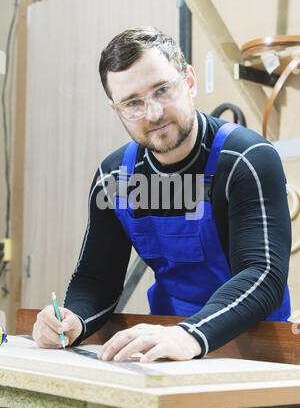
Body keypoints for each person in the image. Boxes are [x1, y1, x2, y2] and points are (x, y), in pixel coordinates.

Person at [33, 26, 291, 363]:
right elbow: (96, 278)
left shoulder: (246, 159)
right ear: (117, 110)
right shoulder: (115, 177)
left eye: (162, 90)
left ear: (190, 81)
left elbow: (263, 276)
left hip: (255, 350)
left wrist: (191, 334)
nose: (153, 113)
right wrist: (71, 321)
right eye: (133, 103)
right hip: (167, 347)